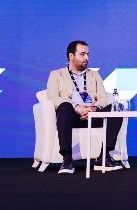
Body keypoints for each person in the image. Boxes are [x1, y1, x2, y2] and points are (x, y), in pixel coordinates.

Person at [46, 40, 123, 174]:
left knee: (117, 108)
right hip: (71, 116)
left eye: (88, 54)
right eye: (82, 54)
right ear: (71, 56)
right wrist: (76, 106)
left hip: (93, 115)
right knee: (64, 107)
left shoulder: (94, 75)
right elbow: (53, 97)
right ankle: (67, 159)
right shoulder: (56, 74)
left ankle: (103, 157)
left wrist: (94, 109)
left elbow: (103, 98)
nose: (87, 58)